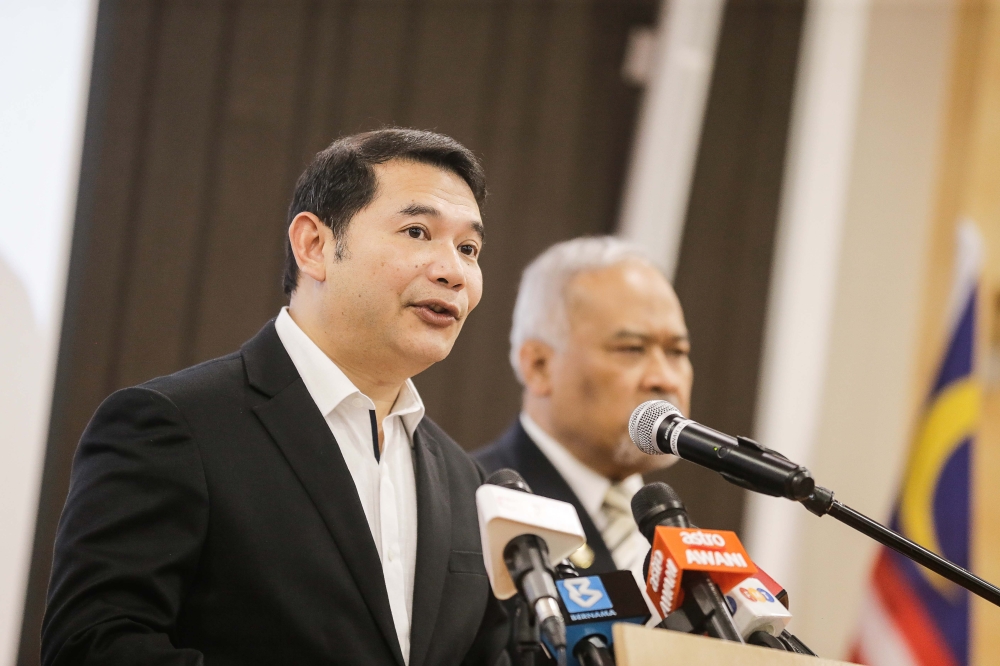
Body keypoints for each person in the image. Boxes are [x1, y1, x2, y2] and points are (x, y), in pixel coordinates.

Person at [42, 129, 506, 666]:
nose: (452, 271)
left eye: (468, 248)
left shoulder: (462, 477)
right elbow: (91, 646)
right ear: (314, 245)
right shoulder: (175, 425)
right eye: (417, 231)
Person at [475, 236, 693, 586]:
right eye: (633, 349)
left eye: (677, 352)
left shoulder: (672, 525)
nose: (664, 379)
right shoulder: (477, 505)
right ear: (540, 366)